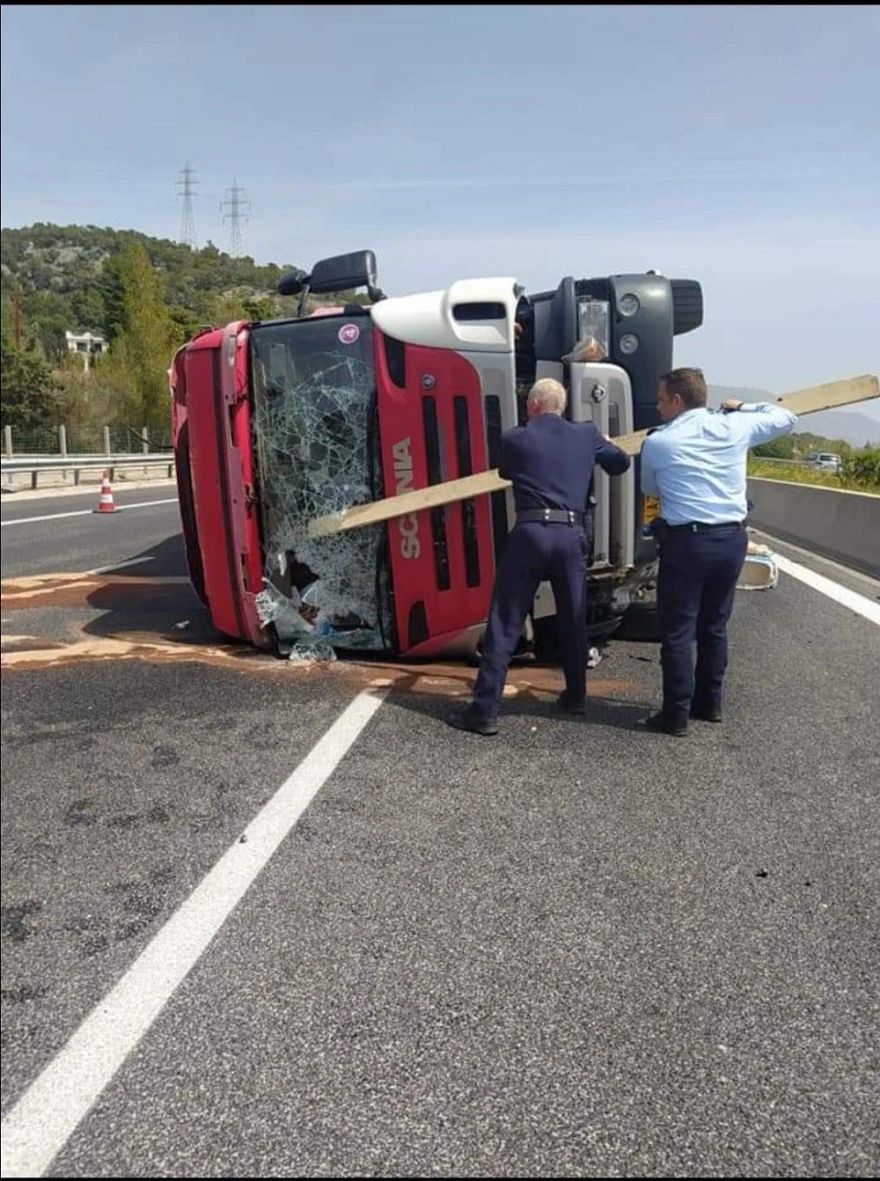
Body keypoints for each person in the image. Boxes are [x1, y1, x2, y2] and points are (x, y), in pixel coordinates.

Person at [449, 378, 631, 735]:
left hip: (530, 534)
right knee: (573, 617)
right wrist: (603, 443)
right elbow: (621, 464)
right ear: (560, 406)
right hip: (570, 535)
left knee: (505, 621)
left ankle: (484, 712)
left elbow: (506, 472)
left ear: (532, 405)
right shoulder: (586, 434)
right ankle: (576, 697)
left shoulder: (515, 438)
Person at [639, 368, 797, 736]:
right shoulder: (736, 427)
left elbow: (651, 487)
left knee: (678, 630)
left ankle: (675, 715)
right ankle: (709, 705)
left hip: (687, 543)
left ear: (678, 400)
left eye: (662, 400)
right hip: (731, 541)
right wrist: (742, 407)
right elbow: (787, 418)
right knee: (714, 625)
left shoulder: (660, 442)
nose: (659, 407)